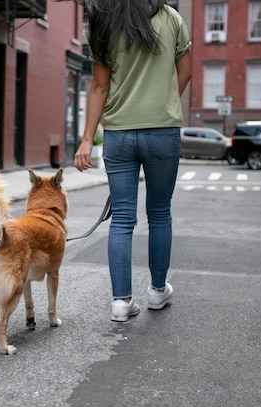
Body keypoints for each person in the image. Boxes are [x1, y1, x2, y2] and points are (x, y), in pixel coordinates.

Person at [73, 0, 192, 321]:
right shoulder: (172, 18)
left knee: (123, 217)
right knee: (160, 212)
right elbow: (186, 70)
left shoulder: (105, 21)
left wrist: (86, 140)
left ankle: (121, 302)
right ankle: (156, 291)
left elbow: (99, 86)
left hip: (119, 134)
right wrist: (164, 104)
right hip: (162, 133)